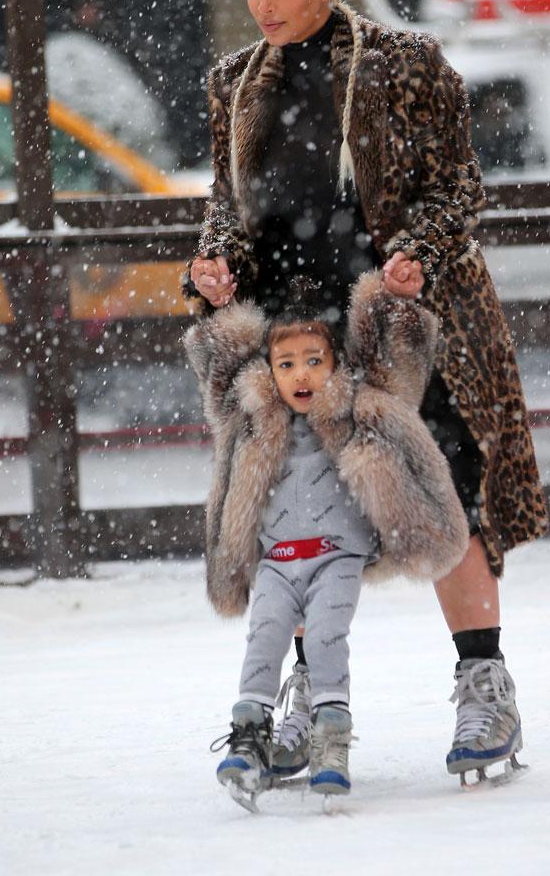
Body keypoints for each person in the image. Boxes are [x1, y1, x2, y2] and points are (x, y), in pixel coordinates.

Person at [181, 0, 548, 780]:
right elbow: (229, 205)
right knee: (297, 507)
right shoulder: (235, 79)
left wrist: (416, 253)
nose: (263, 5)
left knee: (446, 488)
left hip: (401, 325)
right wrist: (217, 262)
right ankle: (313, 696)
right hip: (293, 334)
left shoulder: (404, 63)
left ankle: (484, 685)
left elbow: (458, 183)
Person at [184, 272, 469, 802]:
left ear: (336, 364)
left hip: (337, 557)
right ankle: (249, 736)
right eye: (287, 363)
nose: (301, 375)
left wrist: (395, 301)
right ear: (268, 371)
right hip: (276, 559)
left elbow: (396, 370)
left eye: (315, 360)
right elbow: (220, 368)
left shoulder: (357, 408)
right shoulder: (251, 415)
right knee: (265, 634)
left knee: (324, 637)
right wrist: (219, 307)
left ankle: (331, 736)